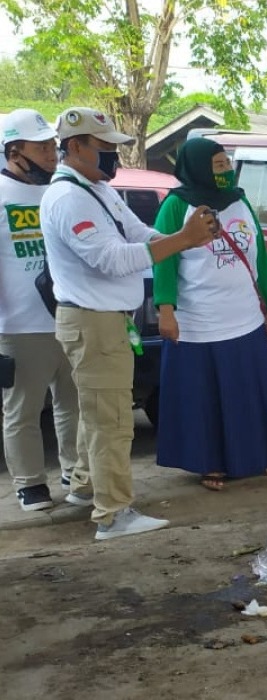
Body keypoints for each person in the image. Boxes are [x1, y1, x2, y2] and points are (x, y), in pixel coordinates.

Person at [41, 107, 218, 540]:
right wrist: (183, 239)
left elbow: (138, 233)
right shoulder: (68, 199)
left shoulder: (96, 189)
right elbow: (111, 259)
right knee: (113, 420)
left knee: (98, 412)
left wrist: (184, 241)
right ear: (75, 146)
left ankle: (86, 487)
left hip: (105, 320)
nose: (113, 156)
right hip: (93, 321)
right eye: (105, 147)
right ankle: (113, 514)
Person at [152, 137, 267, 491]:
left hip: (244, 319)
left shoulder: (239, 201)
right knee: (205, 400)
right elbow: (163, 262)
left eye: (227, 164)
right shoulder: (176, 206)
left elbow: (260, 255)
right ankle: (210, 463)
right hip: (198, 324)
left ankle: (253, 456)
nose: (226, 171)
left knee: (246, 394)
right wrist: (166, 311)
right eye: (218, 166)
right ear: (198, 168)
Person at [0, 108, 81, 511]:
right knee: (23, 410)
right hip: (19, 325)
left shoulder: (60, 190)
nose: (52, 153)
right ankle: (30, 484)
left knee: (73, 403)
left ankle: (75, 473)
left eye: (52, 145)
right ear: (14, 152)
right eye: (42, 147)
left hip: (69, 315)